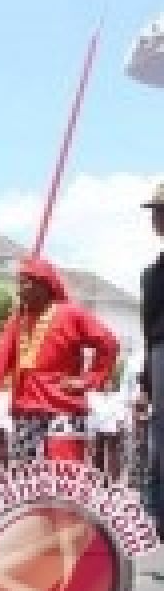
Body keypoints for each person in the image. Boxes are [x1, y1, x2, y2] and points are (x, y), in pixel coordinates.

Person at [0, 258, 117, 464]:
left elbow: (108, 344)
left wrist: (89, 380)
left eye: (25, 283)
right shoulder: (17, 320)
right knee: (26, 481)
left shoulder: (71, 314)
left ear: (44, 285)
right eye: (19, 283)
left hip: (62, 408)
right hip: (25, 410)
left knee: (64, 479)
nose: (20, 290)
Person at [141, 181, 164, 538]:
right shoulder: (151, 274)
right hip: (161, 354)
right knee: (159, 437)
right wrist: (145, 382)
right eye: (155, 211)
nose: (157, 218)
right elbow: (148, 331)